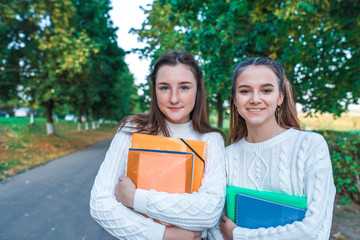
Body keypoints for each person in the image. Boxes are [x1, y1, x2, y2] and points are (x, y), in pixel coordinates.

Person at [90, 50, 226, 240]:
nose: (173, 98)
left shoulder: (211, 140)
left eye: (184, 87)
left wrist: (134, 198)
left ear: (198, 89)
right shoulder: (131, 130)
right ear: (154, 90)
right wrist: (162, 234)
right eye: (164, 88)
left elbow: (209, 213)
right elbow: (100, 205)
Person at [208, 57, 336, 240]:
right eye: (245, 91)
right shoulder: (226, 156)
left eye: (266, 90)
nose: (255, 99)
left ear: (280, 97)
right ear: (235, 101)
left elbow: (315, 230)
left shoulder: (310, 146)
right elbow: (214, 227)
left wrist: (239, 235)